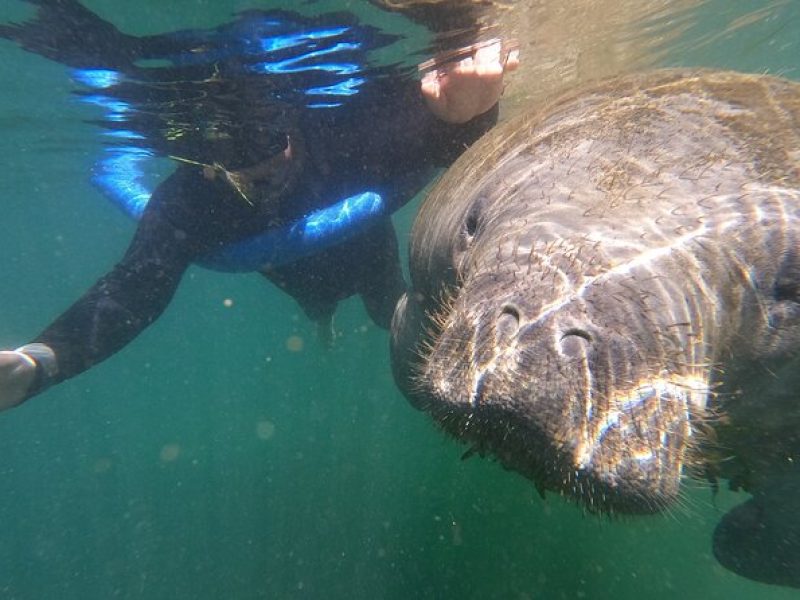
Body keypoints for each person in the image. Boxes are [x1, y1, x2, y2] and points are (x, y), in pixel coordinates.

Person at [0, 0, 518, 411]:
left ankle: (344, 321)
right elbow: (134, 289)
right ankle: (321, 318)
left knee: (389, 309)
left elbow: (438, 151)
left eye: (266, 146)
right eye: (224, 157)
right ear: (192, 157)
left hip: (367, 253)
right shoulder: (190, 200)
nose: (255, 169)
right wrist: (40, 363)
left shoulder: (341, 133)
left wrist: (469, 115)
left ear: (290, 125)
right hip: (294, 275)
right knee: (319, 303)